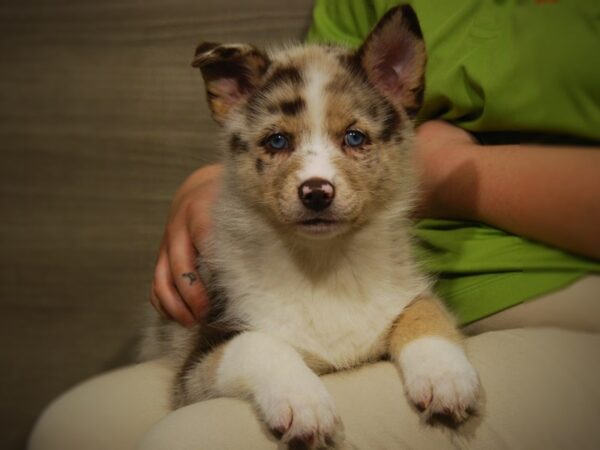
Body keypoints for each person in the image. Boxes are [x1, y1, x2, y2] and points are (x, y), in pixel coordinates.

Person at [29, 1, 600, 449]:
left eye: (353, 138)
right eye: (280, 142)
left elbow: (404, 305)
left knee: (193, 442)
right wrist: (204, 181)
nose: (316, 180)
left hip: (559, 295)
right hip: (300, 294)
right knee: (70, 428)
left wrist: (453, 173)